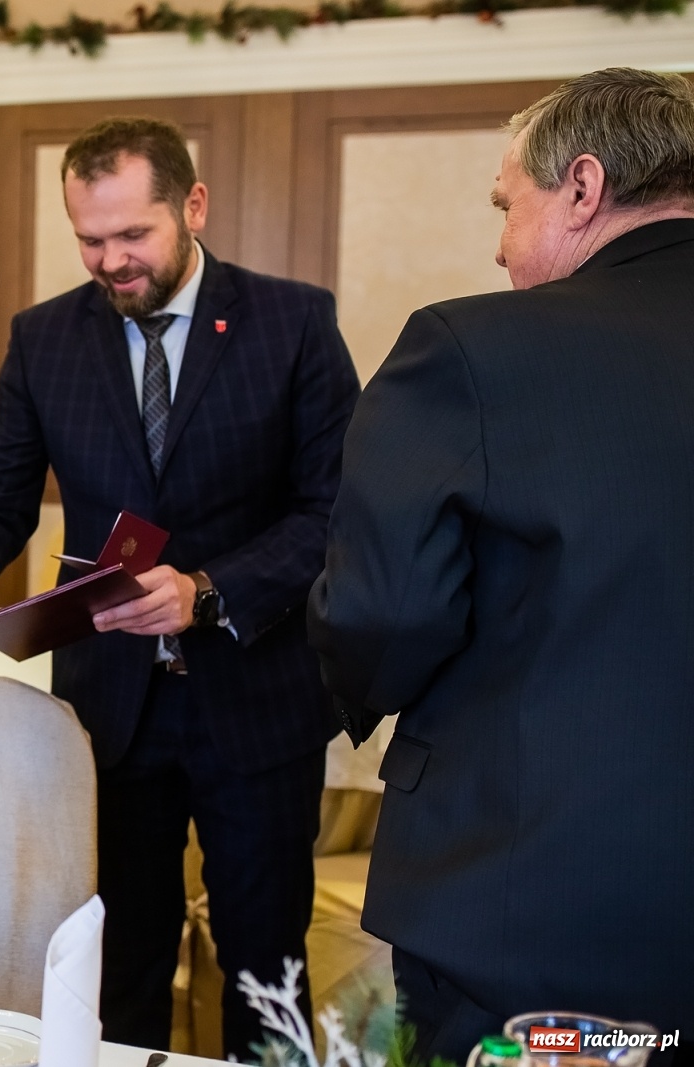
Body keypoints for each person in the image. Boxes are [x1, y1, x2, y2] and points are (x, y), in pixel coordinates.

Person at [0, 117, 360, 1055]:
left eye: (132, 235)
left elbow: (332, 511)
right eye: (89, 238)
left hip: (257, 700)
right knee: (120, 963)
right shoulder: (44, 339)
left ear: (193, 206)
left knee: (264, 966)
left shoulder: (293, 320)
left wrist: (208, 589)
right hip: (116, 711)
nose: (110, 260)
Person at [308, 68, 694, 1058]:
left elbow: (382, 611)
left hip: (523, 893)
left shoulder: (470, 350)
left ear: (581, 186)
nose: (496, 240)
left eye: (503, 202)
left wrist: (347, 692)